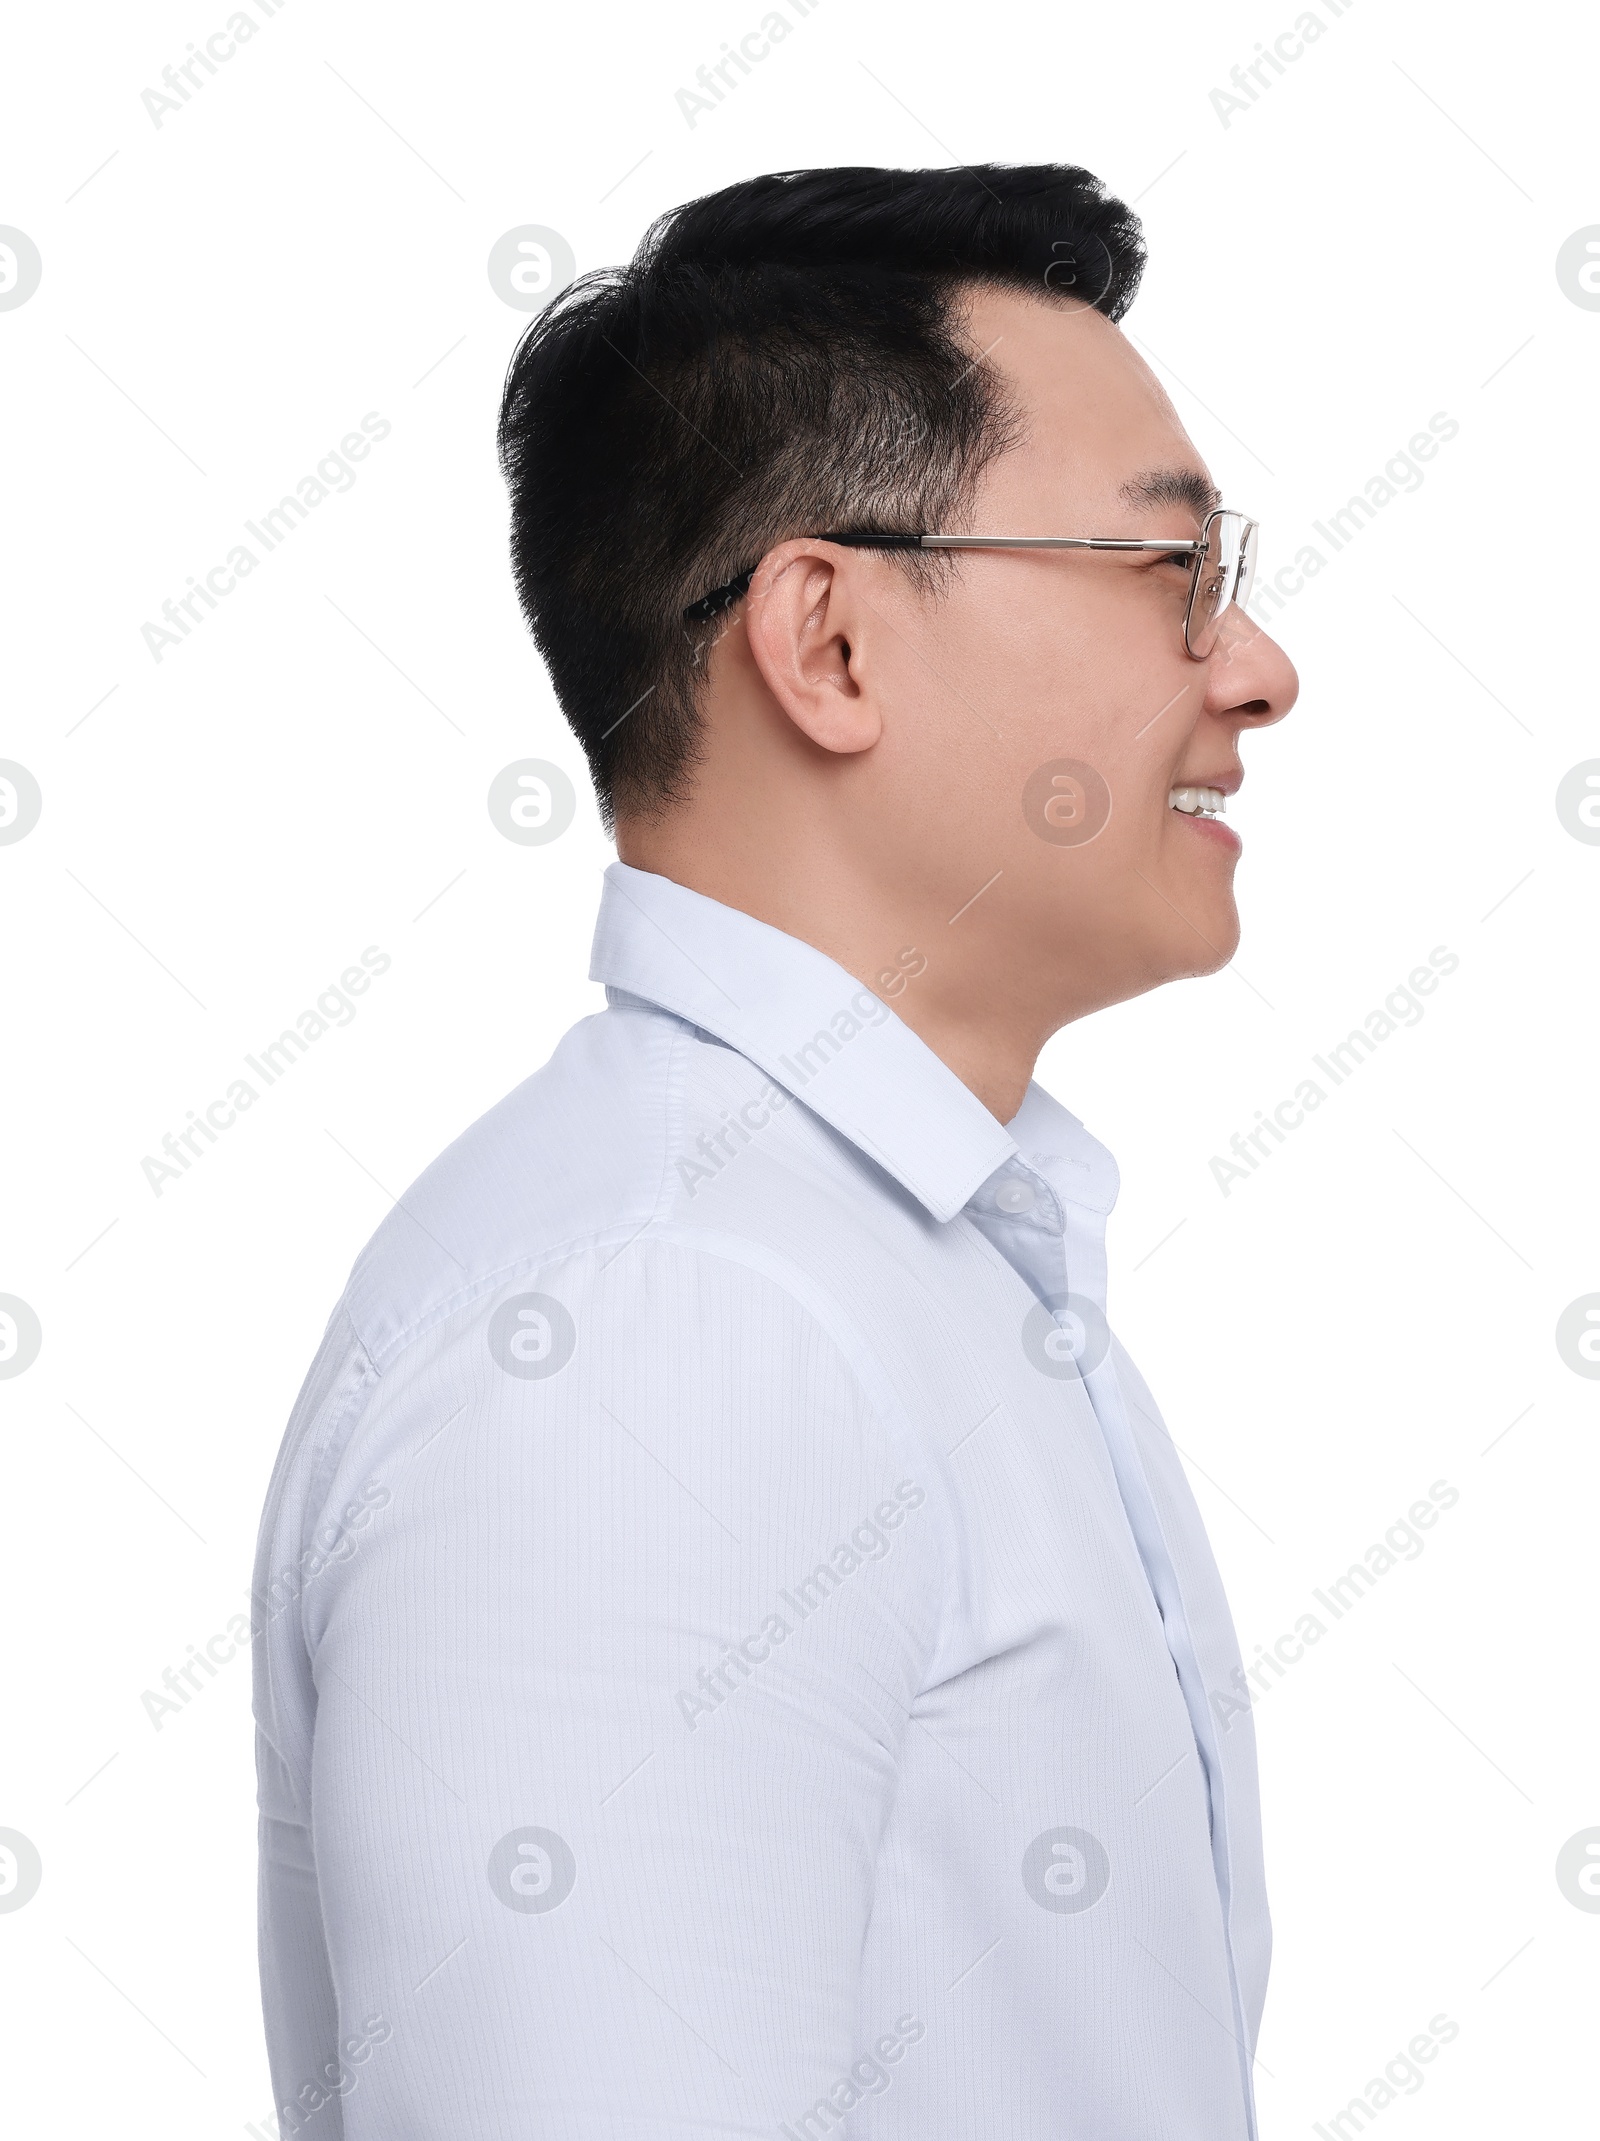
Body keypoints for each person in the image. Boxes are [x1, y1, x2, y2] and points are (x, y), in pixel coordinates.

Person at [253, 162, 1297, 2140]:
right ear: (823, 642)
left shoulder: (878, 1259)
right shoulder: (656, 1341)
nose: (1252, 669)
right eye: (1165, 572)